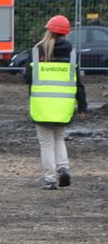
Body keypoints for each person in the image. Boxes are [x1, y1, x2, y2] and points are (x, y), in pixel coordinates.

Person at [24, 15, 87, 190]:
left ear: (48, 30)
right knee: (59, 139)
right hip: (63, 107)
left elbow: (27, 77)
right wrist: (83, 107)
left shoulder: (37, 51)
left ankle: (50, 180)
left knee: (46, 144)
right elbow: (78, 83)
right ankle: (63, 168)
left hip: (42, 106)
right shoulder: (72, 53)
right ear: (66, 33)